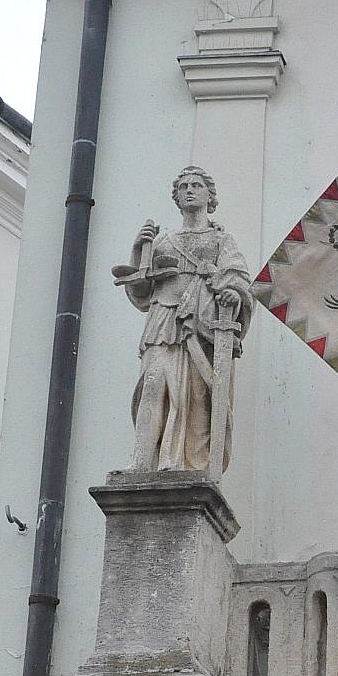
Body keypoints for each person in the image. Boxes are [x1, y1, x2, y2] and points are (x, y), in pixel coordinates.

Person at [119, 166, 254, 471]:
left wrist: (232, 293)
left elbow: (239, 279)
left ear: (209, 195)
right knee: (152, 385)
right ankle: (141, 463)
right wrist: (138, 250)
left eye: (196, 185)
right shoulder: (164, 242)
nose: (189, 190)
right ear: (177, 198)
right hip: (163, 318)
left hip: (202, 324)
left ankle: (185, 464)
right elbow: (141, 289)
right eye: (183, 187)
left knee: (196, 396)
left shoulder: (221, 240)